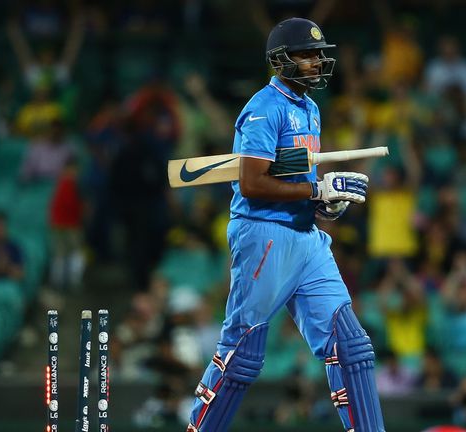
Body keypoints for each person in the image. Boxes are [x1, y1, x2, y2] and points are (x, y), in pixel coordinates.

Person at [186, 18, 384, 432]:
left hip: (306, 238)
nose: (316, 61)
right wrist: (315, 192)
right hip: (263, 234)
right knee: (242, 355)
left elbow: (296, 182)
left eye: (318, 54)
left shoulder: (310, 109)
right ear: (281, 61)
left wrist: (327, 202)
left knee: (352, 347)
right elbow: (252, 182)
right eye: (306, 54)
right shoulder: (263, 108)